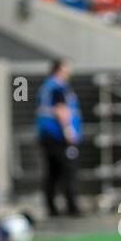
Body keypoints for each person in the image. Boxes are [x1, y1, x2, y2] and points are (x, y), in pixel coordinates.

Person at [37, 59, 82, 217]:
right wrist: (69, 131)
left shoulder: (47, 86)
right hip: (58, 137)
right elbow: (61, 110)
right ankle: (72, 207)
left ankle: (52, 208)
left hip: (48, 136)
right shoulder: (57, 87)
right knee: (68, 171)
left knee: (52, 173)